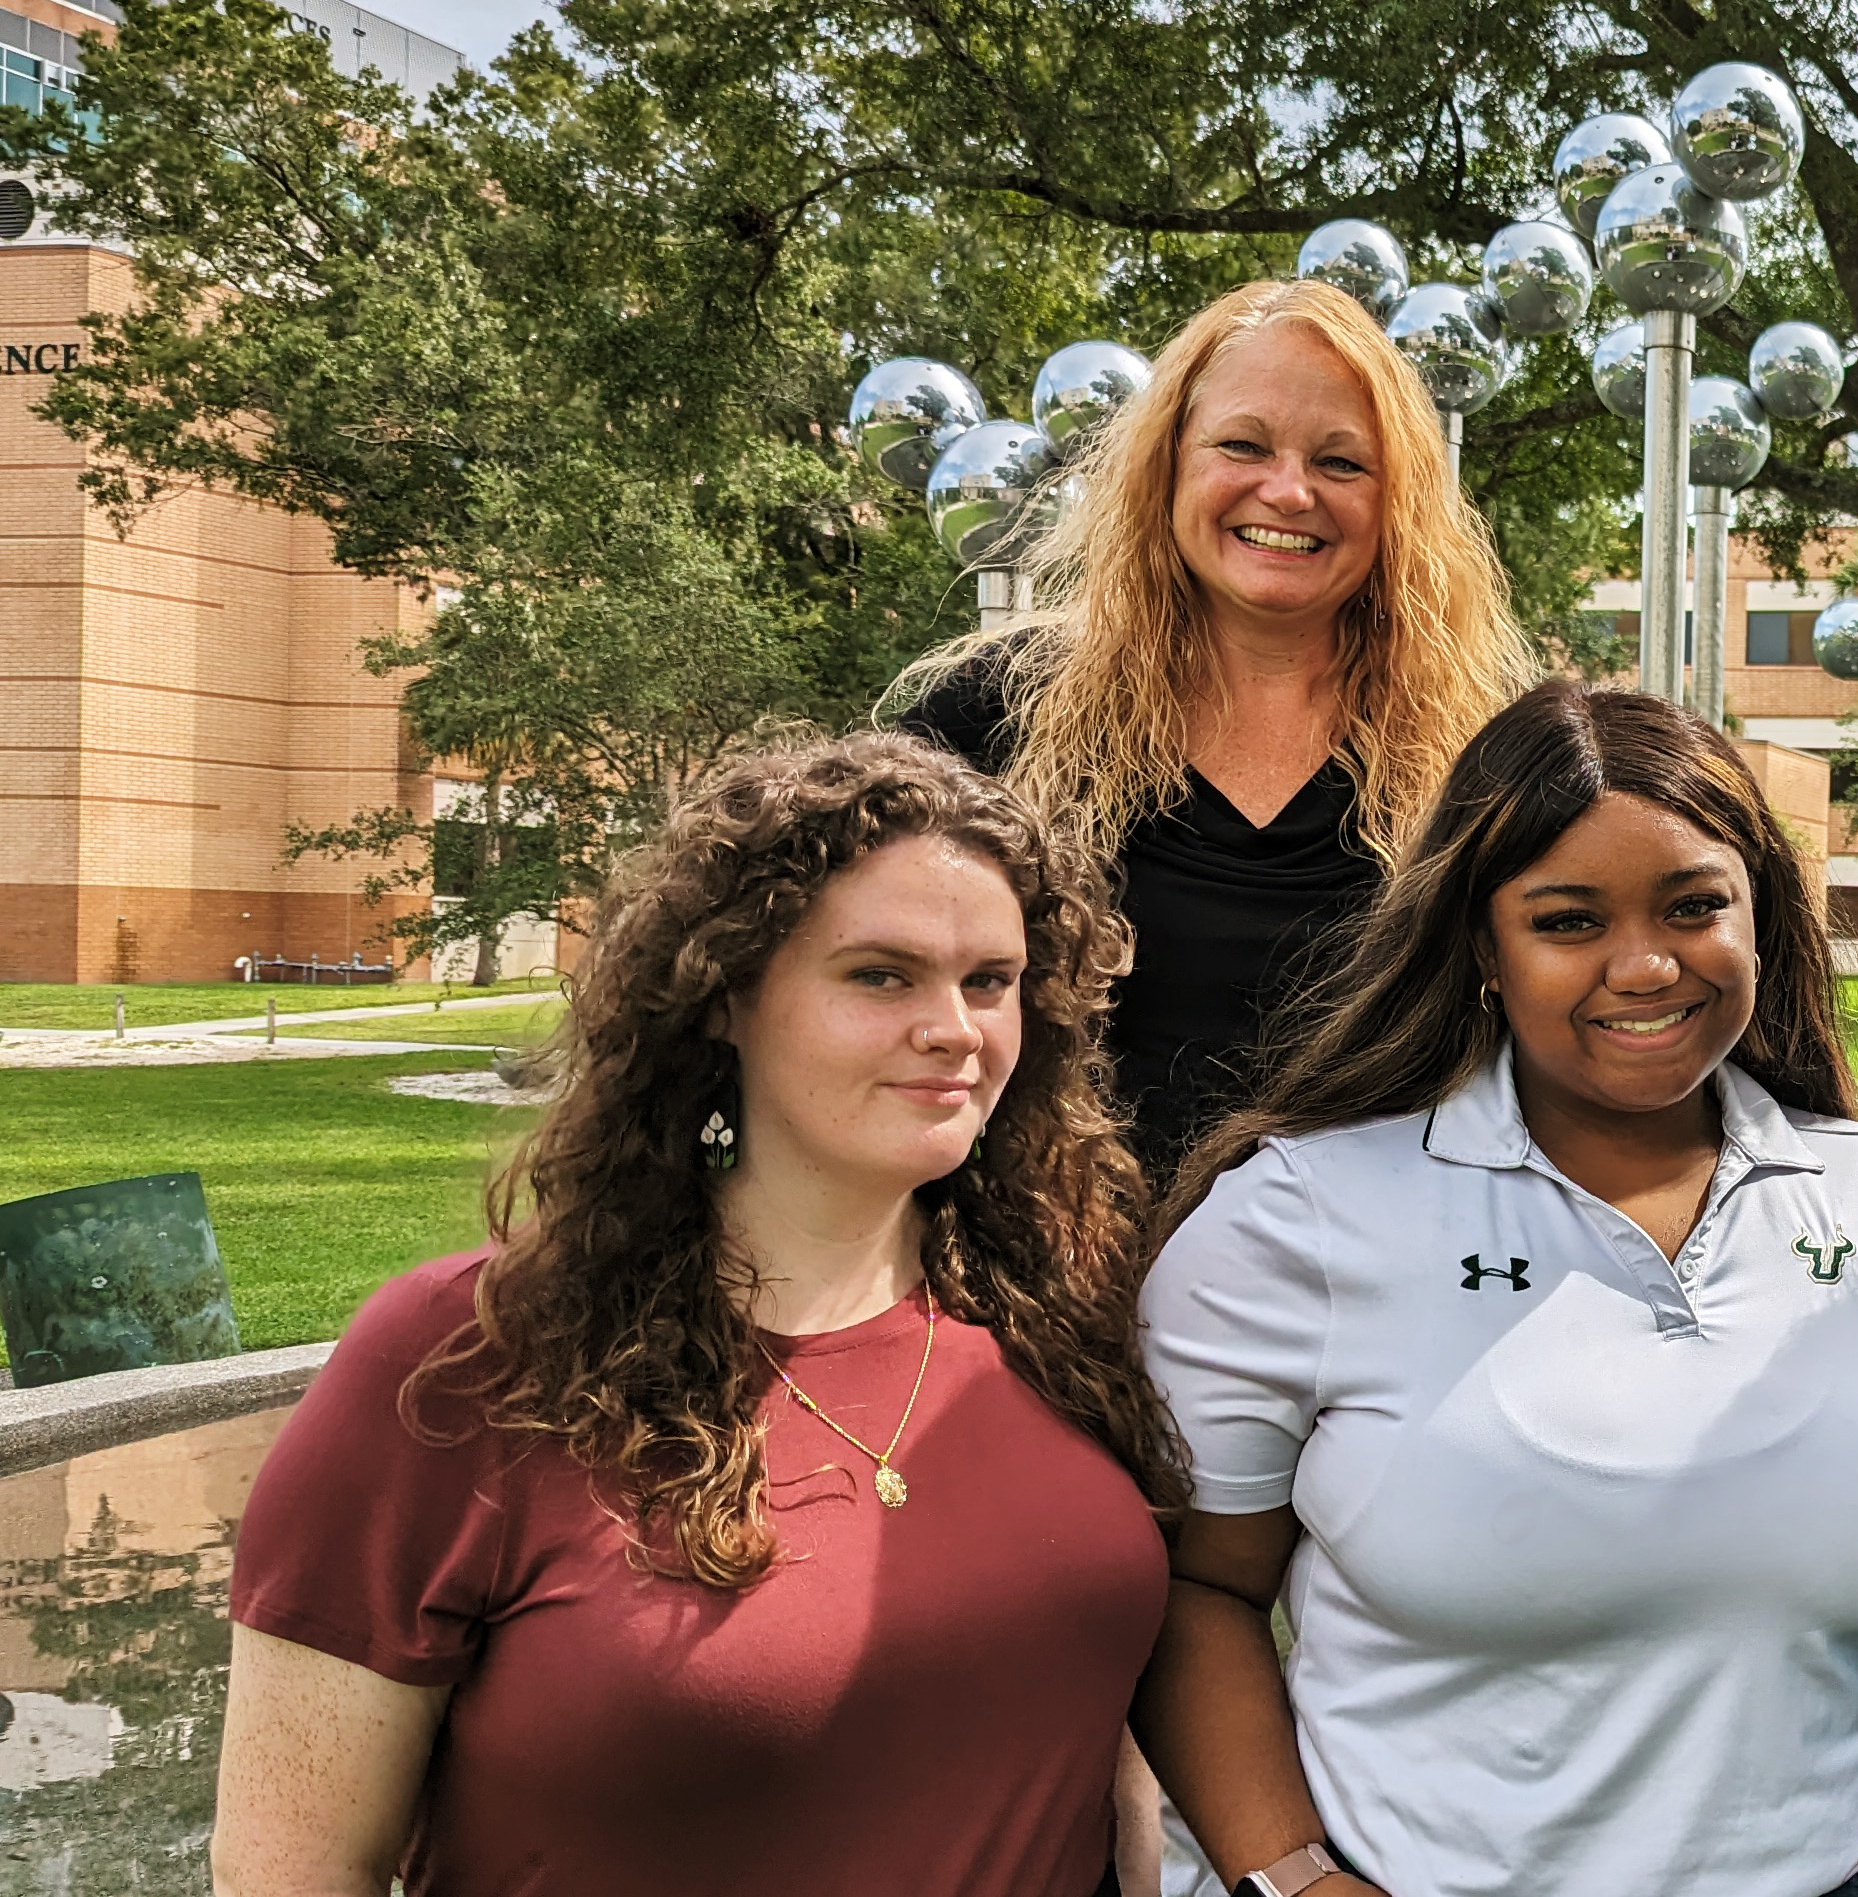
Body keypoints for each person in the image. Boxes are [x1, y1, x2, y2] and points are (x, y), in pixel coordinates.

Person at [214, 733, 1185, 1896]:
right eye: (881, 975)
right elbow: (292, 1868)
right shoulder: (465, 1361)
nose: (957, 1030)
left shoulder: (1060, 1308)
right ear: (723, 995)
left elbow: (1089, 1725)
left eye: (991, 981)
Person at [1131, 682, 1858, 1897]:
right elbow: (1194, 1585)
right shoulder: (1298, 1221)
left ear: (1761, 921)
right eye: (1568, 920)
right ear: (1483, 947)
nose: (1645, 966)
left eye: (1696, 907)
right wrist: (1291, 1877)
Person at [893, 278, 1538, 1173]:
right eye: (1242, 444)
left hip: (1365, 1291)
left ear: (1399, 504)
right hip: (1048, 1287)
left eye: (1342, 463)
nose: (1288, 491)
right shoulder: (997, 712)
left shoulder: (1482, 759)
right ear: (1168, 465)